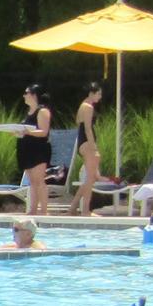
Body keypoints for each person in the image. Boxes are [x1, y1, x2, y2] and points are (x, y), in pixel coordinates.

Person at [16, 83, 54, 217]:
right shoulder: (28, 113)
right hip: (27, 149)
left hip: (38, 149)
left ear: (34, 95)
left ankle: (44, 210)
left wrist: (27, 132)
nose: (24, 95)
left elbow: (44, 132)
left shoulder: (42, 111)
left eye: (26, 93)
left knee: (39, 180)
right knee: (32, 181)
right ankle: (32, 209)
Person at [71, 80, 104, 213]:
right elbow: (88, 128)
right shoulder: (88, 107)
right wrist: (93, 147)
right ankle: (85, 210)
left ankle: (73, 208)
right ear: (91, 93)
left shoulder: (82, 106)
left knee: (88, 179)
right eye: (99, 94)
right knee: (90, 179)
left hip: (82, 142)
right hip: (86, 142)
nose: (100, 97)